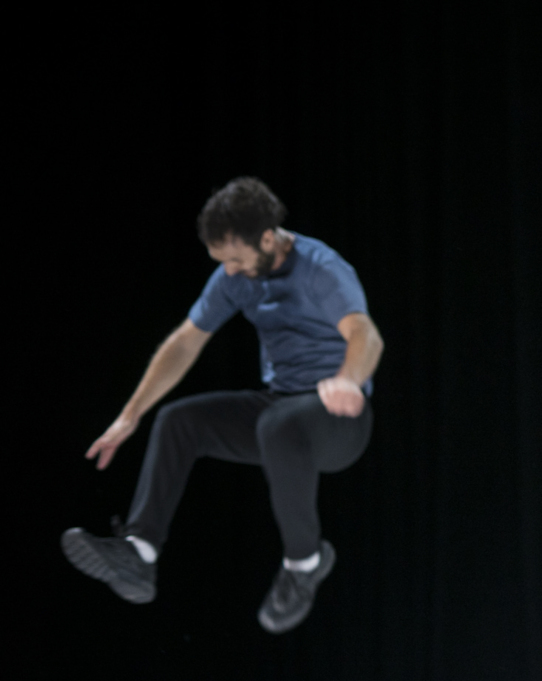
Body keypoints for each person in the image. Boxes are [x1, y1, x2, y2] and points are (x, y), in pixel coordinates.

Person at [63, 177, 383, 633]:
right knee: (178, 420)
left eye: (236, 259)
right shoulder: (234, 276)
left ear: (268, 238)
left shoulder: (321, 268)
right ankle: (140, 552)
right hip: (280, 407)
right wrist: (130, 414)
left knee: (277, 424)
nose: (229, 271)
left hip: (340, 420)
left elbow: (365, 333)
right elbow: (184, 343)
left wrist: (349, 380)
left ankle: (305, 562)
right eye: (222, 262)